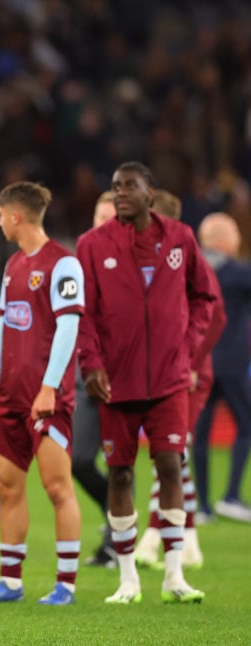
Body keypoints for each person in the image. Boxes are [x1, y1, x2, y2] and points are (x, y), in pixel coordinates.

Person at [77, 161, 216, 605]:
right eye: (115, 186)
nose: (120, 194)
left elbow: (204, 297)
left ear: (150, 194)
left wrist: (188, 346)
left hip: (170, 380)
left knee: (171, 465)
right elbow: (83, 314)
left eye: (129, 187)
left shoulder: (180, 238)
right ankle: (128, 579)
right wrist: (92, 365)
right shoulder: (93, 244)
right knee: (119, 474)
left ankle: (174, 574)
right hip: (115, 383)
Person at [0, 181, 84, 606]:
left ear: (16, 215)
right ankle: (10, 582)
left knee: (56, 486)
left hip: (46, 396)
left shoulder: (64, 265)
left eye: (0, 215)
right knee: (8, 487)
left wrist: (50, 385)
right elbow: (3, 325)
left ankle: (65, 585)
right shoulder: (14, 264)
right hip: (11, 396)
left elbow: (70, 328)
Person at [131, 191, 219, 569]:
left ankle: (151, 540)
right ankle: (192, 540)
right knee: (174, 458)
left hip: (188, 376)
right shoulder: (159, 261)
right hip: (165, 372)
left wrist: (190, 361)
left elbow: (216, 317)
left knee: (169, 456)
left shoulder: (186, 259)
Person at [190, 212, 251, 523]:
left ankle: (203, 507)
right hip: (233, 364)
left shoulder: (192, 269)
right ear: (224, 239)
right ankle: (231, 496)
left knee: (200, 434)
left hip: (199, 365)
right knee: (247, 425)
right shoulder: (239, 274)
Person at [71, 192, 116, 568]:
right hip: (86, 376)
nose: (103, 223)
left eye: (110, 217)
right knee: (79, 460)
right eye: (99, 216)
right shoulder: (80, 261)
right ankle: (114, 517)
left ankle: (120, 539)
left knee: (122, 462)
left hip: (124, 376)